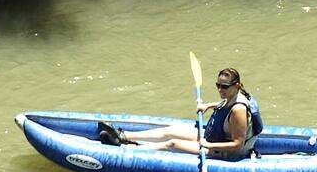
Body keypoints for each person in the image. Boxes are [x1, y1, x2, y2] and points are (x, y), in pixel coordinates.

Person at [96, 67, 263, 160]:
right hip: (216, 136)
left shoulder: (239, 110)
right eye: (218, 85)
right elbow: (224, 105)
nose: (220, 89)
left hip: (227, 150)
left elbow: (237, 144)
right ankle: (125, 136)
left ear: (237, 85)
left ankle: (127, 150)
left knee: (172, 143)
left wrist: (209, 145)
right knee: (171, 130)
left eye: (224, 87)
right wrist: (208, 105)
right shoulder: (235, 95)